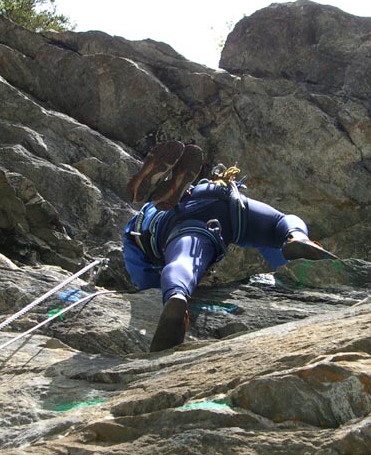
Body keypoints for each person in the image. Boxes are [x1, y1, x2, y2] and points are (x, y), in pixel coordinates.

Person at [123, 141, 337, 352]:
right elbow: (271, 249)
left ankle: (177, 296)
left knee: (184, 260)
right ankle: (297, 237)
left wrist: (169, 294)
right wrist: (297, 276)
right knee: (278, 224)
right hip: (222, 194)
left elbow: (148, 286)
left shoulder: (131, 240)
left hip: (182, 220)